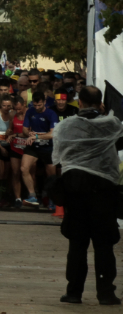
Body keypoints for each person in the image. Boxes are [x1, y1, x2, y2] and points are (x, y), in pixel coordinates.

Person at [53, 86, 123, 305]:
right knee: (103, 244)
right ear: (100, 103)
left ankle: (74, 292)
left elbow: (58, 156)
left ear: (79, 102)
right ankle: (106, 293)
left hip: (76, 189)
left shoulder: (66, 126)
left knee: (77, 243)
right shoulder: (111, 125)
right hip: (104, 191)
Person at [21, 90, 58, 208]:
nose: (37, 107)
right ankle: (32, 195)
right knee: (23, 168)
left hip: (48, 147)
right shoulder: (30, 111)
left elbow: (53, 134)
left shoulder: (51, 114)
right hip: (34, 146)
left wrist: (37, 136)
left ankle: (52, 198)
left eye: (39, 105)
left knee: (51, 175)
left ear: (44, 102)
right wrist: (29, 133)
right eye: (35, 105)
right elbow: (24, 129)